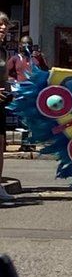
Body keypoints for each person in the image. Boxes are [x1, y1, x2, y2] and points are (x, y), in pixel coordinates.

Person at [0, 13, 12, 201]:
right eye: (0, 24)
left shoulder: (3, 52)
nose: (3, 28)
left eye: (5, 25)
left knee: (0, 144)